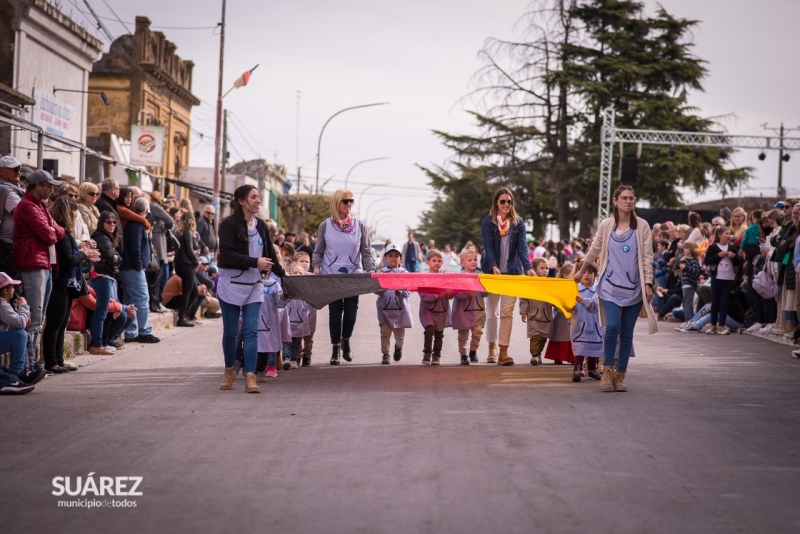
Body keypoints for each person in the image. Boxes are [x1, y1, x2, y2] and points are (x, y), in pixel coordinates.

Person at [573, 185, 657, 393]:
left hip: (633, 289)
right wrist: (581, 269)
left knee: (627, 333)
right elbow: (594, 250)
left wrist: (647, 283)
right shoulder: (606, 225)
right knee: (611, 328)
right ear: (615, 201)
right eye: (624, 198)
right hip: (609, 286)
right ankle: (607, 370)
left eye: (632, 198)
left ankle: (620, 375)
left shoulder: (642, 226)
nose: (628, 201)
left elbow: (647, 256)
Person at [217, 184, 284, 392]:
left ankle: (250, 376)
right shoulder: (227, 224)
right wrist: (255, 262)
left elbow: (271, 256)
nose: (258, 201)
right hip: (231, 284)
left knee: (251, 331)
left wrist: (285, 276)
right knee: (231, 333)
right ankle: (229, 370)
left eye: (258, 197)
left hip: (254, 285)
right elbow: (226, 255)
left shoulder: (261, 225)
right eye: (253, 197)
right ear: (241, 201)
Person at [312, 189, 375, 365]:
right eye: (345, 201)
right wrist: (316, 267)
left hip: (353, 275)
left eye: (351, 201)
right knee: (334, 312)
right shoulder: (325, 225)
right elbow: (318, 252)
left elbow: (366, 252)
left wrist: (370, 270)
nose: (348, 204)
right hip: (331, 275)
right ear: (337, 202)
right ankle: (335, 348)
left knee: (351, 311)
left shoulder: (359, 225)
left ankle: (346, 340)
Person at [42, 196, 100, 373]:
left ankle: (59, 359)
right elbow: (68, 259)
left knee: (61, 324)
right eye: (74, 213)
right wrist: (84, 254)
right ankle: (51, 362)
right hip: (60, 283)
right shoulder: (61, 235)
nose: (76, 217)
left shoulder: (64, 233)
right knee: (55, 323)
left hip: (66, 284)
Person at [480, 186, 535, 365]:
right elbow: (488, 248)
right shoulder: (488, 223)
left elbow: (522, 248)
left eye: (509, 202)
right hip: (493, 273)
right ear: (496, 202)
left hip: (512, 273)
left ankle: (504, 351)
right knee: (492, 313)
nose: (506, 204)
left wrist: (528, 267)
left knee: (506, 313)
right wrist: (493, 265)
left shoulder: (519, 224)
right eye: (502, 201)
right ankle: (491, 348)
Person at [13, 170, 65, 355]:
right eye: (49, 185)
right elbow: (50, 234)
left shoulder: (40, 206)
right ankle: (26, 364)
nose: (52, 189)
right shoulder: (28, 206)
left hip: (45, 265)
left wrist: (53, 229)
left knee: (40, 318)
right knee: (34, 319)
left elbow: (60, 230)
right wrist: (52, 230)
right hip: (33, 265)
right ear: (38, 186)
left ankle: (31, 362)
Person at [89, 212, 130, 355]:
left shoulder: (108, 238)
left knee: (105, 312)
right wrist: (114, 259)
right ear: (102, 223)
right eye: (108, 222)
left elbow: (117, 258)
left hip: (108, 276)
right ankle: (97, 344)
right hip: (102, 277)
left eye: (114, 222)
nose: (112, 225)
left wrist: (115, 258)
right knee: (101, 312)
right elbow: (114, 260)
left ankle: (100, 343)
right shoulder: (101, 237)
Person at [119, 197, 159, 343]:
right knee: (142, 298)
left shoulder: (134, 224)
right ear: (147, 210)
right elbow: (135, 247)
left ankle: (130, 332)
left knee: (130, 299)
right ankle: (144, 330)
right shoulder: (137, 225)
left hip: (128, 267)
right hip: (133, 268)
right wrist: (139, 266)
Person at [0, 271, 43, 384]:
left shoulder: (5, 303)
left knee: (26, 335)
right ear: (5, 291)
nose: (14, 290)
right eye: (12, 288)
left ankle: (29, 368)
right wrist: (23, 306)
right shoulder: (2, 305)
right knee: (20, 334)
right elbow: (21, 323)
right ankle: (17, 371)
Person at [375, 244, 412, 365]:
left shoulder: (404, 273)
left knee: (399, 334)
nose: (393, 258)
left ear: (400, 259)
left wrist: (402, 292)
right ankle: (385, 354)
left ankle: (398, 347)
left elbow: (409, 291)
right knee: (385, 333)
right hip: (384, 309)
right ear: (386, 258)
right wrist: (381, 290)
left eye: (396, 256)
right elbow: (375, 289)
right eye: (390, 255)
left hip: (400, 310)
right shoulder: (381, 273)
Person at [451, 248, 486, 365]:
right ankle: (463, 354)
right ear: (462, 263)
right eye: (469, 260)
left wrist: (487, 288)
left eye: (475, 259)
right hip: (463, 312)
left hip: (478, 310)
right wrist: (465, 294)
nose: (473, 262)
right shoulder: (459, 277)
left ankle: (473, 351)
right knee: (463, 335)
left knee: (478, 331)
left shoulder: (481, 275)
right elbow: (455, 293)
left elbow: (486, 293)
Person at [570, 262, 603, 382]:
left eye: (590, 272)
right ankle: (577, 369)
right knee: (580, 345)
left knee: (594, 344)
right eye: (584, 272)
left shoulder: (598, 289)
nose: (587, 275)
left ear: (595, 275)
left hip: (594, 321)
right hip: (580, 321)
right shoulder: (575, 289)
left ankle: (592, 369)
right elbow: (569, 304)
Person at [419, 249, 452, 365]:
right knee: (429, 329)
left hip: (441, 310)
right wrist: (436, 296)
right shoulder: (423, 278)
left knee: (439, 333)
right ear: (427, 262)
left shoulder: (446, 277)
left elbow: (451, 292)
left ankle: (436, 354)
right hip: (427, 310)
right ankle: (427, 353)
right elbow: (423, 295)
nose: (436, 263)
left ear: (442, 263)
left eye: (439, 261)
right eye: (434, 261)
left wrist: (449, 294)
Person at [519, 257, 551, 366]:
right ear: (534, 269)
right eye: (542, 268)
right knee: (535, 336)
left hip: (546, 316)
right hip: (533, 315)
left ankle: (538, 353)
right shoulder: (530, 284)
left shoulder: (550, 283)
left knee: (543, 337)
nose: (545, 270)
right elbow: (524, 298)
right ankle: (534, 355)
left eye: (547, 268)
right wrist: (524, 311)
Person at [147, 190, 174, 313]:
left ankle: (156, 302)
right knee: (156, 277)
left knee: (157, 277)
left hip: (158, 243)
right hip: (159, 244)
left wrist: (166, 227)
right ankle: (154, 302)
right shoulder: (155, 207)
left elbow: (170, 220)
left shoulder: (154, 207)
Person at [544, 263, 576, 366]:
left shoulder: (574, 285)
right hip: (560, 315)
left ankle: (572, 357)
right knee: (560, 336)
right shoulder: (558, 285)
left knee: (571, 336)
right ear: (566, 274)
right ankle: (558, 356)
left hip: (572, 314)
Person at [173, 209, 200, 327]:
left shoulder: (180, 232)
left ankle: (185, 315)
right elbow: (190, 249)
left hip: (180, 263)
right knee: (188, 292)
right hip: (187, 264)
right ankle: (182, 318)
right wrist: (196, 261)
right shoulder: (187, 232)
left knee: (194, 291)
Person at [0, 155, 24, 277]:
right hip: (7, 245)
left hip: (13, 245)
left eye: (19, 169)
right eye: (15, 169)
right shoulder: (5, 190)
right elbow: (24, 214)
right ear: (2, 171)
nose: (19, 172)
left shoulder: (16, 189)